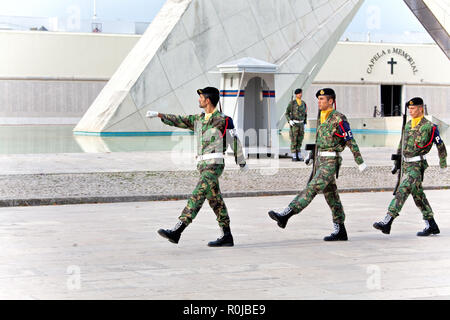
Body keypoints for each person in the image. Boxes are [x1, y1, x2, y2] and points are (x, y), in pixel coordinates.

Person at [146, 87, 248, 247]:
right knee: (216, 201)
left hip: (214, 164)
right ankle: (227, 235)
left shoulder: (224, 120)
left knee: (198, 195)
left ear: (208, 100)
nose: (199, 100)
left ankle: (177, 230)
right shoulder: (198, 119)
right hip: (202, 165)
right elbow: (179, 119)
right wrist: (160, 115)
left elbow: (234, 140)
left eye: (201, 97)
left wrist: (241, 161)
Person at [268, 88, 367, 241]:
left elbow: (350, 140)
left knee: (312, 188)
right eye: (318, 99)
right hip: (320, 161)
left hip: (331, 162)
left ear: (331, 101)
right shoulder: (321, 116)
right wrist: (312, 154)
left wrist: (359, 161)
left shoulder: (339, 118)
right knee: (332, 196)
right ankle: (340, 229)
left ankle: (286, 214)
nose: (319, 102)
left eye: (322, 99)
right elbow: (320, 141)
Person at [373, 97, 447, 236]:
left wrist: (443, 163)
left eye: (413, 108)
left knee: (403, 190)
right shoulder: (407, 124)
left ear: (421, 109)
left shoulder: (430, 127)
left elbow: (440, 144)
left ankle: (387, 221)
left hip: (417, 165)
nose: (411, 111)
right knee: (418, 195)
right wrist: (397, 161)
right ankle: (431, 224)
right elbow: (402, 143)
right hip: (406, 164)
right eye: (409, 109)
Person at [285, 88, 307, 161]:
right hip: (294, 124)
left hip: (301, 124)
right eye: (299, 93)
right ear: (296, 94)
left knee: (300, 139)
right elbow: (287, 113)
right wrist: (289, 121)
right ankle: (294, 155)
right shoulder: (292, 103)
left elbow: (305, 114)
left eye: (301, 93)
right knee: (294, 140)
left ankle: (299, 154)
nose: (300, 94)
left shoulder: (303, 103)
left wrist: (305, 122)